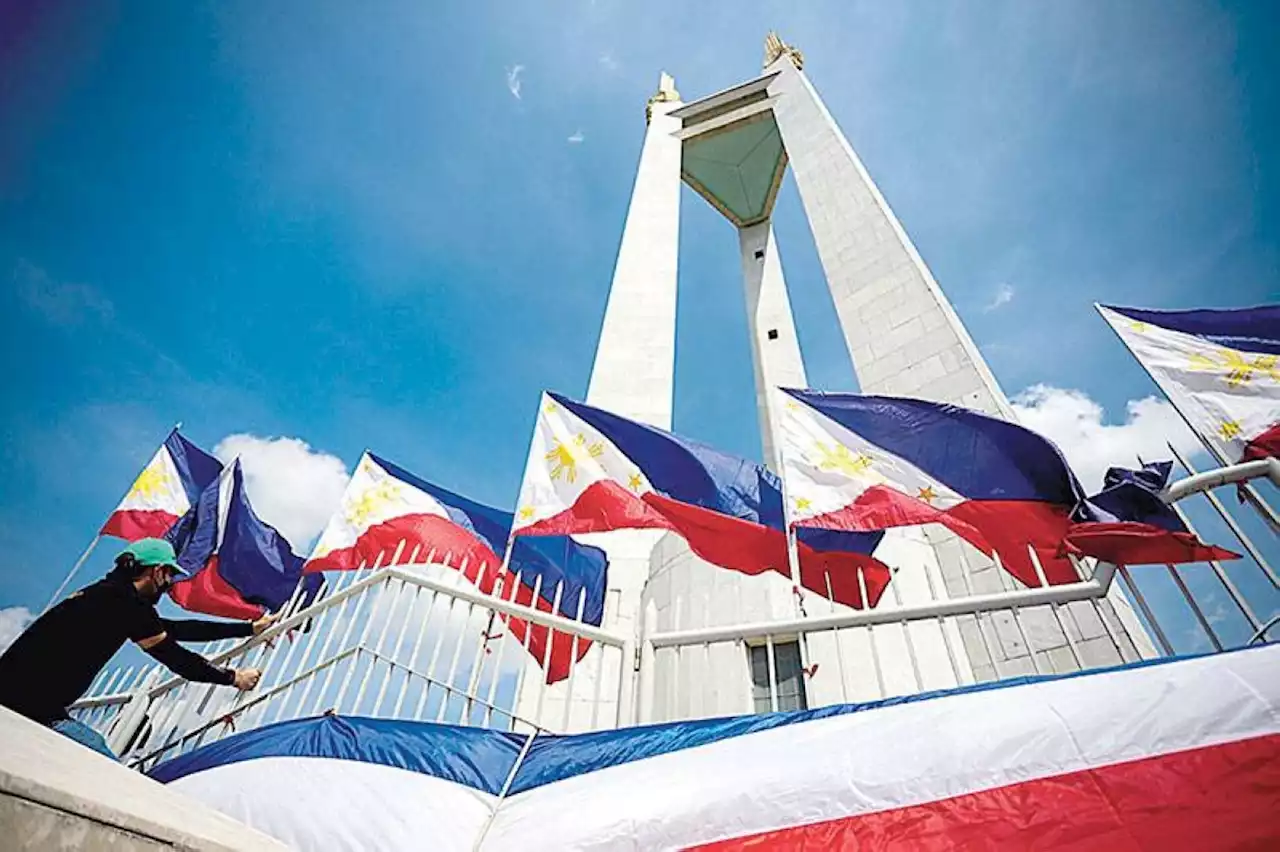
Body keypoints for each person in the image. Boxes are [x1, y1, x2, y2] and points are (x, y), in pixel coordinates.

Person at [0, 538, 274, 759]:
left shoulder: (106, 595)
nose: (169, 586)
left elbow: (179, 629)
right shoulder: (125, 603)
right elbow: (178, 660)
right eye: (170, 576)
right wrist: (233, 678)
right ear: (157, 571)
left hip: (16, 699)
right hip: (31, 710)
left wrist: (248, 628)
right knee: (110, 778)